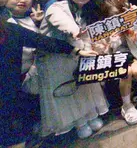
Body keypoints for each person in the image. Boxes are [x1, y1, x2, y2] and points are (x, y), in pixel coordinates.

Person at [0, 11, 96, 148]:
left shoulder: (10, 30)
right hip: (8, 91)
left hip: (10, 89)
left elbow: (41, 41)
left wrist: (76, 51)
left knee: (13, 130)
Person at [37, 0, 109, 139]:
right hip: (56, 57)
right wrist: (75, 30)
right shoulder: (56, 7)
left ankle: (91, 116)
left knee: (85, 86)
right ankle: (79, 123)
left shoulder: (85, 10)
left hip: (80, 53)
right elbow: (63, 23)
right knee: (67, 90)